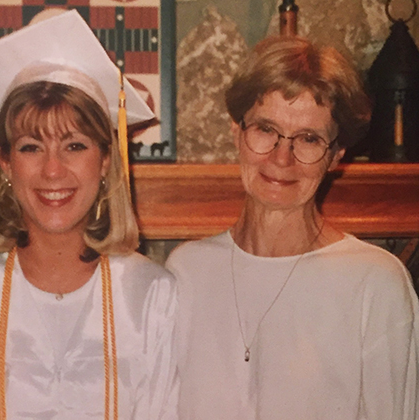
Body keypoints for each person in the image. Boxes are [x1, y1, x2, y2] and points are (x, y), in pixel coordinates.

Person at [0, 10, 178, 420]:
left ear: (105, 162)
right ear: (6, 163)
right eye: (31, 147)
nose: (52, 170)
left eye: (75, 146)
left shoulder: (153, 297)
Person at [166, 35, 419, 419]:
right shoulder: (186, 271)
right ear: (237, 132)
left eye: (308, 138)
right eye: (266, 129)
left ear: (335, 156)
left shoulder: (375, 282)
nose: (282, 158)